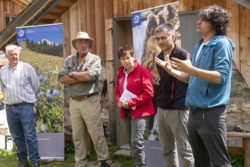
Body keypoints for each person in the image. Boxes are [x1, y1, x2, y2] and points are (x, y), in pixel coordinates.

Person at [155, 5, 235, 167]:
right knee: (200, 162)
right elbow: (190, 78)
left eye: (203, 19)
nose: (198, 22)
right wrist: (170, 70)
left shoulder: (222, 44)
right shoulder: (199, 45)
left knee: (220, 163)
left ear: (214, 23)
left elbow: (221, 77)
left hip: (212, 113)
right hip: (194, 113)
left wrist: (191, 69)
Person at [58, 32, 110, 167]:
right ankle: (80, 162)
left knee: (96, 132)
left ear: (89, 44)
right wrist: (82, 75)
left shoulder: (95, 59)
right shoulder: (69, 60)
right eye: (80, 42)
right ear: (75, 44)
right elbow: (61, 78)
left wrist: (73, 74)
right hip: (74, 102)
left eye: (86, 42)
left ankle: (104, 160)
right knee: (77, 135)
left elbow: (91, 76)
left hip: (90, 100)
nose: (83, 44)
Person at [154, 23, 194, 167]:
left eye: (163, 38)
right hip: (162, 109)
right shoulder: (159, 56)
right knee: (167, 150)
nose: (160, 41)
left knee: (185, 150)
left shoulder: (183, 54)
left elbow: (188, 78)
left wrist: (170, 70)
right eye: (157, 39)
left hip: (178, 108)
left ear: (173, 36)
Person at [0, 44, 41, 167]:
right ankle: (22, 160)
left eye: (16, 54)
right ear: (7, 56)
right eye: (11, 54)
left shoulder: (26, 67)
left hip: (25, 106)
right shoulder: (2, 71)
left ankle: (35, 161)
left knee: (30, 135)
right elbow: (3, 88)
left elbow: (36, 85)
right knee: (17, 136)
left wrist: (27, 99)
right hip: (10, 108)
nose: (14, 56)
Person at [115, 45, 155, 167]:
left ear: (133, 57)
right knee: (131, 143)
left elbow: (149, 93)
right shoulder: (120, 73)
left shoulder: (143, 71)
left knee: (137, 142)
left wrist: (131, 102)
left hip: (142, 112)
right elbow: (118, 91)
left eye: (127, 57)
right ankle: (138, 164)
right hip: (125, 111)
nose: (125, 61)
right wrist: (119, 101)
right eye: (122, 58)